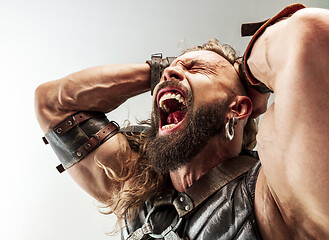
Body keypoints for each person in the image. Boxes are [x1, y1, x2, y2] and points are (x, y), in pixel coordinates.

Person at [35, 3, 329, 239]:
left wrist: (249, 72)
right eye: (168, 72)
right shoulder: (138, 195)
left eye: (197, 68)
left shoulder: (276, 192)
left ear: (238, 108)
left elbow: (311, 31)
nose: (168, 75)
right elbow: (54, 105)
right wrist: (160, 70)